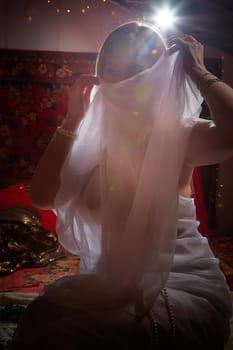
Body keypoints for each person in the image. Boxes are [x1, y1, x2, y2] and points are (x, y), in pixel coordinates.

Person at [10, 21, 233, 350]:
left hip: (183, 287)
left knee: (70, 336)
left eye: (139, 67)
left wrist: (199, 71)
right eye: (113, 68)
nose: (126, 78)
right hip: (116, 285)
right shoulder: (90, 146)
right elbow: (42, 197)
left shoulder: (179, 134)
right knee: (38, 319)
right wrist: (72, 121)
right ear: (100, 76)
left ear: (161, 73)